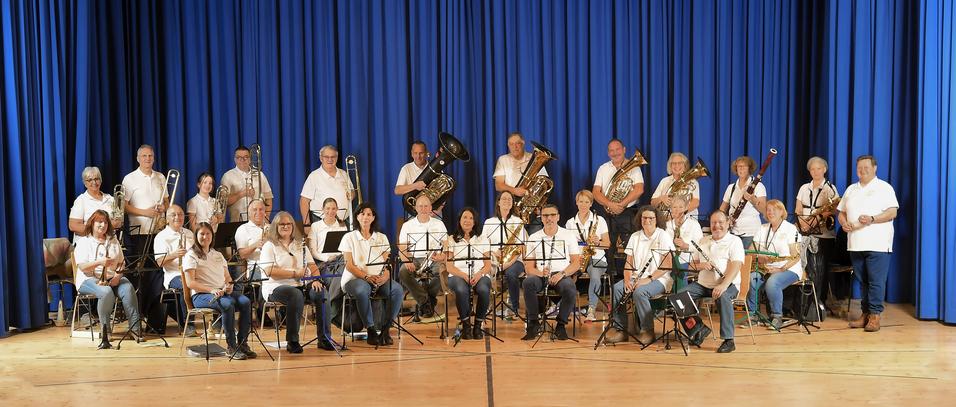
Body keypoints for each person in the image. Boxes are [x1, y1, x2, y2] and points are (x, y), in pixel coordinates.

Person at [837, 155, 899, 332]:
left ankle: (875, 316)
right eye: (859, 168)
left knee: (875, 281)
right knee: (863, 281)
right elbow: (840, 212)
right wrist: (843, 223)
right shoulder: (851, 189)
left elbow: (892, 212)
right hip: (855, 243)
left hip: (878, 243)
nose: (862, 170)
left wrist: (872, 219)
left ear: (875, 168)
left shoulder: (884, 188)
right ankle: (865, 314)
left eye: (866, 167)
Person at [260, 211, 335, 353]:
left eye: (289, 224)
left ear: (293, 226)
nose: (286, 226)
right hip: (276, 287)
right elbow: (269, 271)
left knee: (321, 293)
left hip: (301, 284)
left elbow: (312, 266)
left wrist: (315, 279)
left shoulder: (300, 244)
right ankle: (292, 340)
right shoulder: (269, 246)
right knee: (295, 295)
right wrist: (294, 273)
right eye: (282, 224)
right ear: (275, 226)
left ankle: (324, 338)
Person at [183, 222, 256, 359]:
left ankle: (243, 344)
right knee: (228, 305)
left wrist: (229, 286)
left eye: (208, 233)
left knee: (246, 301)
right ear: (196, 236)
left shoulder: (217, 254)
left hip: (222, 293)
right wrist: (212, 289)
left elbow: (227, 277)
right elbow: (190, 282)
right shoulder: (191, 255)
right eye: (202, 234)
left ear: (212, 236)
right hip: (201, 296)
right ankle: (231, 347)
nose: (205, 237)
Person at [73, 210, 141, 349]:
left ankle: (135, 329)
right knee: (106, 292)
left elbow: (122, 262)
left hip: (112, 277)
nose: (102, 225)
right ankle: (105, 331)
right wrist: (99, 262)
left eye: (105, 222)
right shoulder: (84, 242)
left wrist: (118, 275)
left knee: (128, 288)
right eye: (99, 221)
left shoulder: (113, 240)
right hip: (89, 279)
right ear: (92, 223)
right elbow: (83, 267)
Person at [606, 206, 675, 344]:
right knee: (617, 289)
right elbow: (628, 264)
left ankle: (647, 330)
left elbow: (667, 265)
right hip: (635, 277)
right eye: (644, 218)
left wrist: (648, 279)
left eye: (651, 218)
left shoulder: (663, 235)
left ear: (657, 220)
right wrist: (626, 281)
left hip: (659, 279)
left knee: (640, 292)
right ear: (640, 219)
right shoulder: (635, 236)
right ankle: (620, 329)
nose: (647, 221)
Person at [339, 203, 404, 346]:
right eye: (362, 214)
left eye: (369, 214)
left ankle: (386, 329)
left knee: (397, 290)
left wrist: (385, 276)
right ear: (357, 216)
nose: (365, 217)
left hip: (378, 279)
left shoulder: (381, 237)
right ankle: (371, 330)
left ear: (373, 217)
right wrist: (366, 277)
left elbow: (388, 263)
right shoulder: (349, 237)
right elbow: (349, 265)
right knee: (363, 290)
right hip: (355, 278)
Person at [679, 211, 744, 353]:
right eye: (713, 222)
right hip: (703, 285)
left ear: (728, 223)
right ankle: (698, 329)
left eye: (720, 222)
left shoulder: (735, 241)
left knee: (723, 296)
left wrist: (723, 285)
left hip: (728, 285)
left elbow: (736, 266)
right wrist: (700, 266)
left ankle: (729, 340)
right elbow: (691, 264)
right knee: (679, 297)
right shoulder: (703, 241)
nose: (717, 225)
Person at [120, 144, 169, 332]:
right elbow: (124, 206)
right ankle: (138, 318)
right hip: (139, 234)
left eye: (150, 156)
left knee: (157, 277)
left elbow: (166, 201)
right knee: (142, 278)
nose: (148, 159)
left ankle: (156, 322)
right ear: (138, 158)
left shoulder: (161, 177)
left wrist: (163, 208)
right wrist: (145, 213)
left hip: (158, 232)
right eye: (144, 156)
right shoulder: (130, 179)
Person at [521, 204, 582, 341]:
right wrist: (541, 273)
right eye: (545, 215)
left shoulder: (568, 235)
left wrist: (562, 274)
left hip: (561, 274)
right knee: (528, 282)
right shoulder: (534, 237)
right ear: (541, 218)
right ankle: (533, 324)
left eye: (552, 215)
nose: (549, 218)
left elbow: (576, 263)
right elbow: (529, 268)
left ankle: (561, 325)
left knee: (570, 288)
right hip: (541, 274)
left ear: (558, 217)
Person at [795, 156, 842, 312]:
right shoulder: (803, 188)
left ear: (824, 170)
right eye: (812, 169)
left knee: (820, 271)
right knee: (805, 268)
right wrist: (803, 222)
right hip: (804, 233)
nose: (815, 171)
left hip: (823, 236)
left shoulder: (830, 188)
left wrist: (818, 218)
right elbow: (798, 209)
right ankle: (803, 302)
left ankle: (818, 302)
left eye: (819, 168)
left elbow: (834, 209)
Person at [592, 139, 645, 277]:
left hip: (628, 212)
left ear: (624, 149)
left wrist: (622, 204)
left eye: (617, 149)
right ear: (608, 153)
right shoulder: (603, 168)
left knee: (631, 245)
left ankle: (632, 277)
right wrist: (610, 204)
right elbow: (596, 192)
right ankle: (611, 279)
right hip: (608, 212)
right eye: (611, 150)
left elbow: (639, 189)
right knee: (608, 247)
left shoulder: (634, 167)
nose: (615, 153)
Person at [751, 200, 804, 330]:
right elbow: (752, 249)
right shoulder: (762, 228)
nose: (770, 212)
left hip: (789, 268)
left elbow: (796, 256)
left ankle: (777, 317)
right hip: (767, 267)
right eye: (768, 209)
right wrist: (761, 256)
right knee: (752, 278)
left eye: (774, 209)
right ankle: (752, 315)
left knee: (772, 282)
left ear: (782, 212)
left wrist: (780, 269)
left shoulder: (790, 229)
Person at [444, 208, 493, 339]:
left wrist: (478, 274)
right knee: (461, 289)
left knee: (483, 289)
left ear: (475, 221)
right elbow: (449, 266)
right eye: (464, 217)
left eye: (471, 218)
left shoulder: (482, 239)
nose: (467, 221)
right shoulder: (451, 240)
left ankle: (477, 325)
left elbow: (488, 265)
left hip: (479, 274)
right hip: (457, 274)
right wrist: (465, 276)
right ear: (459, 220)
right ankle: (466, 325)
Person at [397, 195, 447, 319]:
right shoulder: (407, 225)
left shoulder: (439, 224)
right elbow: (402, 248)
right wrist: (407, 260)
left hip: (434, 258)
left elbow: (447, 245)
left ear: (430, 207)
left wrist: (442, 256)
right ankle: (425, 301)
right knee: (403, 272)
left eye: (426, 206)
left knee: (443, 270)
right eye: (420, 206)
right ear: (415, 208)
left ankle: (426, 301)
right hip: (415, 258)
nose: (423, 208)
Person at [564, 189, 610, 321]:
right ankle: (565, 307)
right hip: (578, 258)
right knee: (567, 276)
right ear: (576, 203)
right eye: (581, 201)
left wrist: (598, 242)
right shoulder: (570, 223)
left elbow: (607, 244)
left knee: (595, 276)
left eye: (587, 202)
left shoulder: (599, 220)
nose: (583, 205)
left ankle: (591, 309)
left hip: (596, 258)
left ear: (591, 204)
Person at [482, 191, 526, 320]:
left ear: (512, 204)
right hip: (494, 258)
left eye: (510, 199)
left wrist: (507, 263)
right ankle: (486, 306)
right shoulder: (489, 222)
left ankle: (514, 308)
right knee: (484, 273)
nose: (507, 201)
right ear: (498, 202)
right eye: (504, 198)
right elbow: (483, 244)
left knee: (511, 274)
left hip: (514, 259)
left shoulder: (518, 221)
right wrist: (493, 252)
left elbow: (521, 246)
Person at [153, 205, 196, 336]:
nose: (178, 217)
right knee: (186, 285)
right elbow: (159, 262)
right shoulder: (161, 237)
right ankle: (188, 324)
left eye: (181, 214)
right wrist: (175, 254)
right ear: (167, 219)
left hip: (192, 271)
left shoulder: (189, 233)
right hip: (174, 275)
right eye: (173, 215)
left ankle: (217, 323)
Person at [718, 155, 767, 250]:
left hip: (751, 232)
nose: (741, 169)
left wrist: (752, 199)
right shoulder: (731, 187)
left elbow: (763, 210)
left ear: (750, 168)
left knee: (748, 262)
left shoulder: (758, 186)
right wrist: (725, 221)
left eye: (744, 166)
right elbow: (722, 209)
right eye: (739, 166)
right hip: (733, 231)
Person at [300, 145, 353, 226]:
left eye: (333, 157)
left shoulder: (344, 174)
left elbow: (352, 192)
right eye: (326, 157)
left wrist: (351, 194)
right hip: (321, 221)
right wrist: (306, 224)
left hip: (343, 221)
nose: (330, 159)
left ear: (337, 158)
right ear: (321, 158)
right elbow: (304, 201)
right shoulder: (314, 176)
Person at [220, 145, 275, 222]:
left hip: (259, 221)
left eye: (246, 157)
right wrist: (242, 194)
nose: (242, 160)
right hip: (237, 221)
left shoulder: (260, 175)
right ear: (235, 159)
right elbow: (223, 203)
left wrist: (267, 216)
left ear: (250, 159)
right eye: (239, 157)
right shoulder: (227, 176)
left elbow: (268, 197)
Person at [68, 166, 122, 239]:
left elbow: (118, 222)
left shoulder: (110, 199)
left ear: (101, 180)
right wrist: (97, 231)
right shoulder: (81, 200)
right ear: (85, 183)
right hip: (87, 243)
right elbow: (73, 226)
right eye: (89, 180)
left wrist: (111, 225)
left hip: (109, 241)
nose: (94, 182)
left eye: (96, 179)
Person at [650, 152, 701, 220]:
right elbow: (652, 203)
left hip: (687, 219)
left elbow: (695, 203)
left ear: (685, 165)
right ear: (670, 166)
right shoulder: (664, 181)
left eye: (680, 163)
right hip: (667, 220)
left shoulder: (693, 182)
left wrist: (679, 213)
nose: (677, 166)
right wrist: (661, 198)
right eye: (674, 163)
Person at [308, 198, 348, 274]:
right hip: (323, 263)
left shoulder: (343, 226)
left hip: (340, 261)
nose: (330, 211)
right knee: (340, 274)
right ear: (322, 209)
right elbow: (312, 252)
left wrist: (339, 257)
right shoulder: (315, 226)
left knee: (345, 270)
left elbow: (345, 248)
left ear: (337, 209)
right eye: (327, 208)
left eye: (333, 209)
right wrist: (327, 258)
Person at [235, 199, 269, 280]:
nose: (258, 212)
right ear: (249, 213)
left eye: (261, 209)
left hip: (274, 266)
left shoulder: (270, 228)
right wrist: (255, 245)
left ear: (265, 212)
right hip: (256, 268)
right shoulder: (243, 229)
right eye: (254, 210)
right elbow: (242, 255)